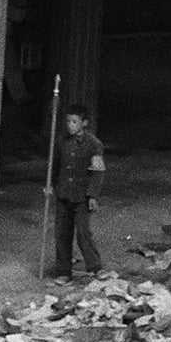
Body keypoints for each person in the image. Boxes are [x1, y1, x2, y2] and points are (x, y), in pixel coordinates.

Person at [50, 104, 106, 282]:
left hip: (82, 196)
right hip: (63, 193)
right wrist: (51, 184)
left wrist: (93, 196)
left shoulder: (94, 144)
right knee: (62, 233)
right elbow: (55, 165)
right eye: (68, 121)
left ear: (84, 123)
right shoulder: (61, 141)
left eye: (74, 121)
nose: (70, 125)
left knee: (83, 232)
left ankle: (95, 267)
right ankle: (63, 271)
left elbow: (98, 172)